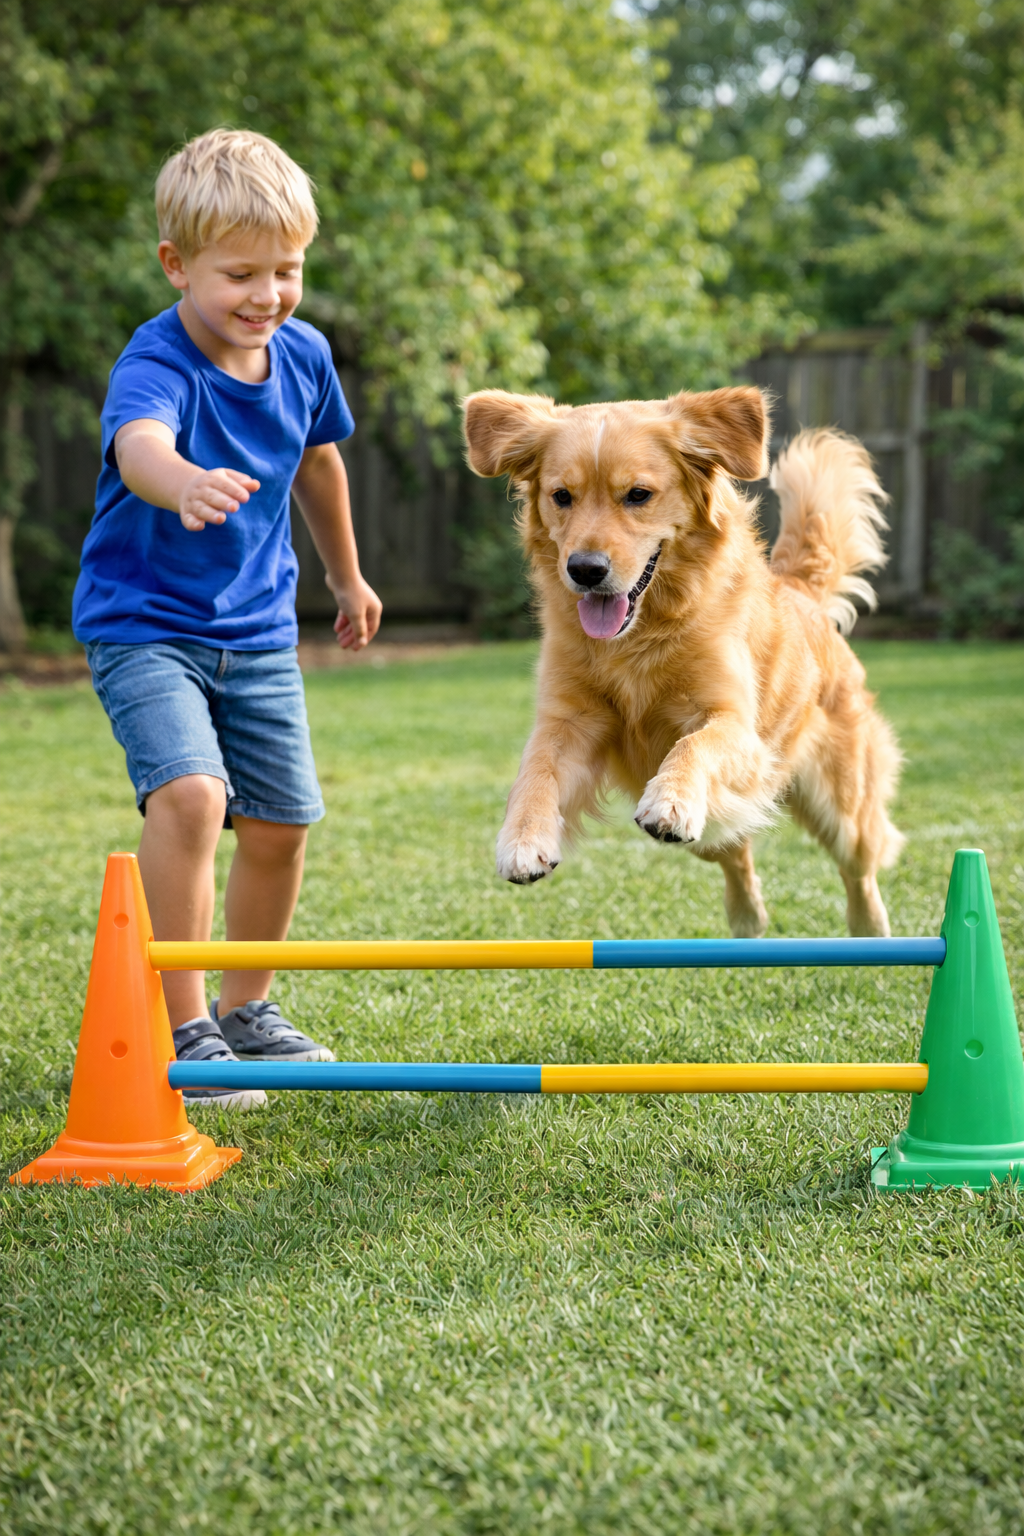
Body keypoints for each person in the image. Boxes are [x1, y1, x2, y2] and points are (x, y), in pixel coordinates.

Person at [72, 129, 382, 1110]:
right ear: (178, 265)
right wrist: (185, 484)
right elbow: (139, 447)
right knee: (195, 797)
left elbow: (321, 463)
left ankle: (250, 1012)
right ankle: (190, 1024)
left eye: (286, 270)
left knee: (283, 821)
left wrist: (348, 576)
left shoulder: (303, 356)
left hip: (254, 632)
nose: (267, 295)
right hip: (142, 624)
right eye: (239, 273)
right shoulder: (156, 353)